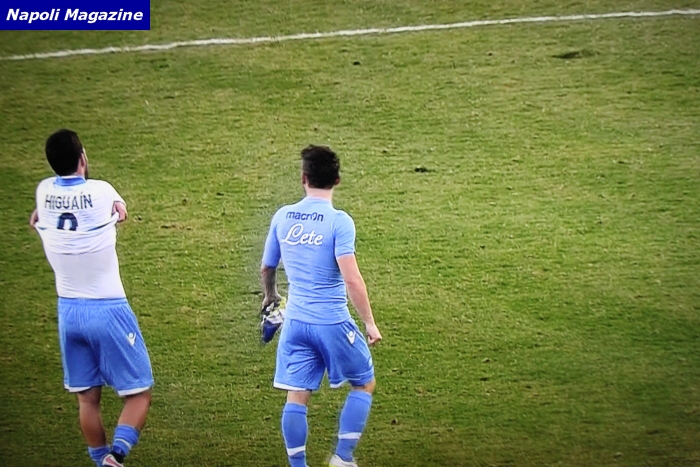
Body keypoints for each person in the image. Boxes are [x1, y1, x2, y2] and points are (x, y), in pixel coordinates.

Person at [30, 129, 153, 467]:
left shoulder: (43, 191)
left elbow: (38, 216)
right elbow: (121, 212)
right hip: (108, 307)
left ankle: (100, 461)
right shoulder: (101, 190)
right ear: (83, 158)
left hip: (68, 310)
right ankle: (117, 455)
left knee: (87, 399)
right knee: (139, 394)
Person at [260, 145, 382, 467]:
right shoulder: (339, 222)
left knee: (296, 395)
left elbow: (267, 268)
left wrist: (271, 297)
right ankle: (342, 457)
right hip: (331, 321)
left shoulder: (283, 216)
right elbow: (352, 279)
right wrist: (369, 322)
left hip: (295, 323)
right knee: (364, 382)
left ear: (303, 178)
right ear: (337, 180)